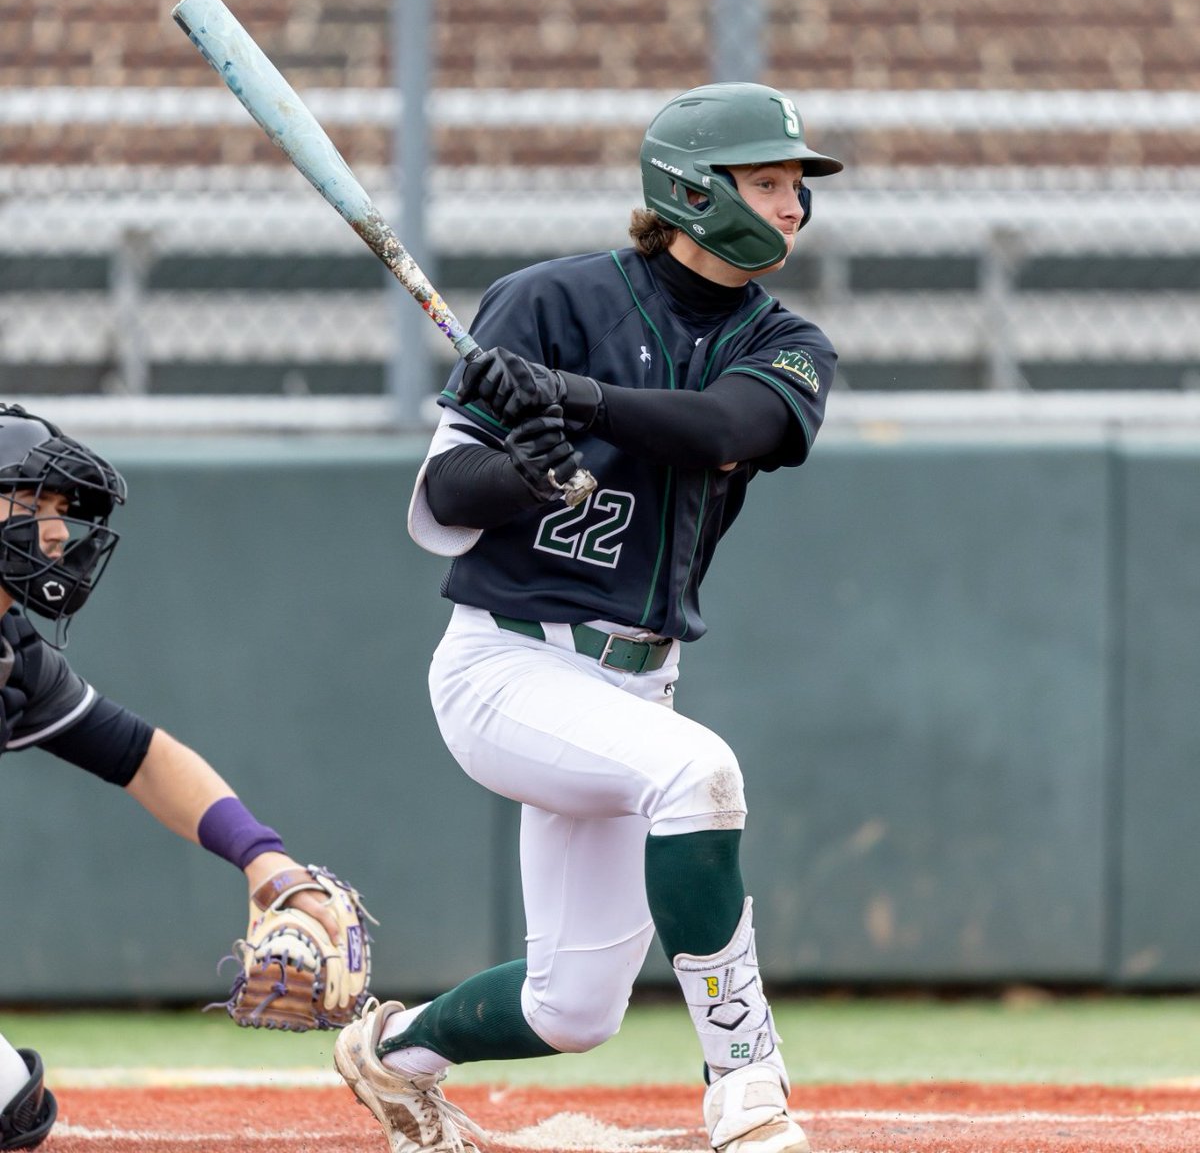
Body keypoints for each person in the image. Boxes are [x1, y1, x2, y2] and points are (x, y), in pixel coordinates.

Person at [333, 81, 843, 1153]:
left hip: (636, 680)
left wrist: (579, 402)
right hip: (505, 670)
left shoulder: (790, 342)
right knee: (698, 776)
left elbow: (726, 427)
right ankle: (748, 1087)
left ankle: (394, 1055)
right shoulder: (548, 302)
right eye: (768, 182)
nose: (792, 207)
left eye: (796, 185)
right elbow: (442, 503)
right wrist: (519, 472)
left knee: (573, 1012)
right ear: (692, 191)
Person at [0, 403, 342, 1151]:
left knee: (9, 1110)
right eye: (31, 503)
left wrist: (264, 858)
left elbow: (142, 758)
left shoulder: (14, 656)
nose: (55, 531)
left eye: (62, 510)